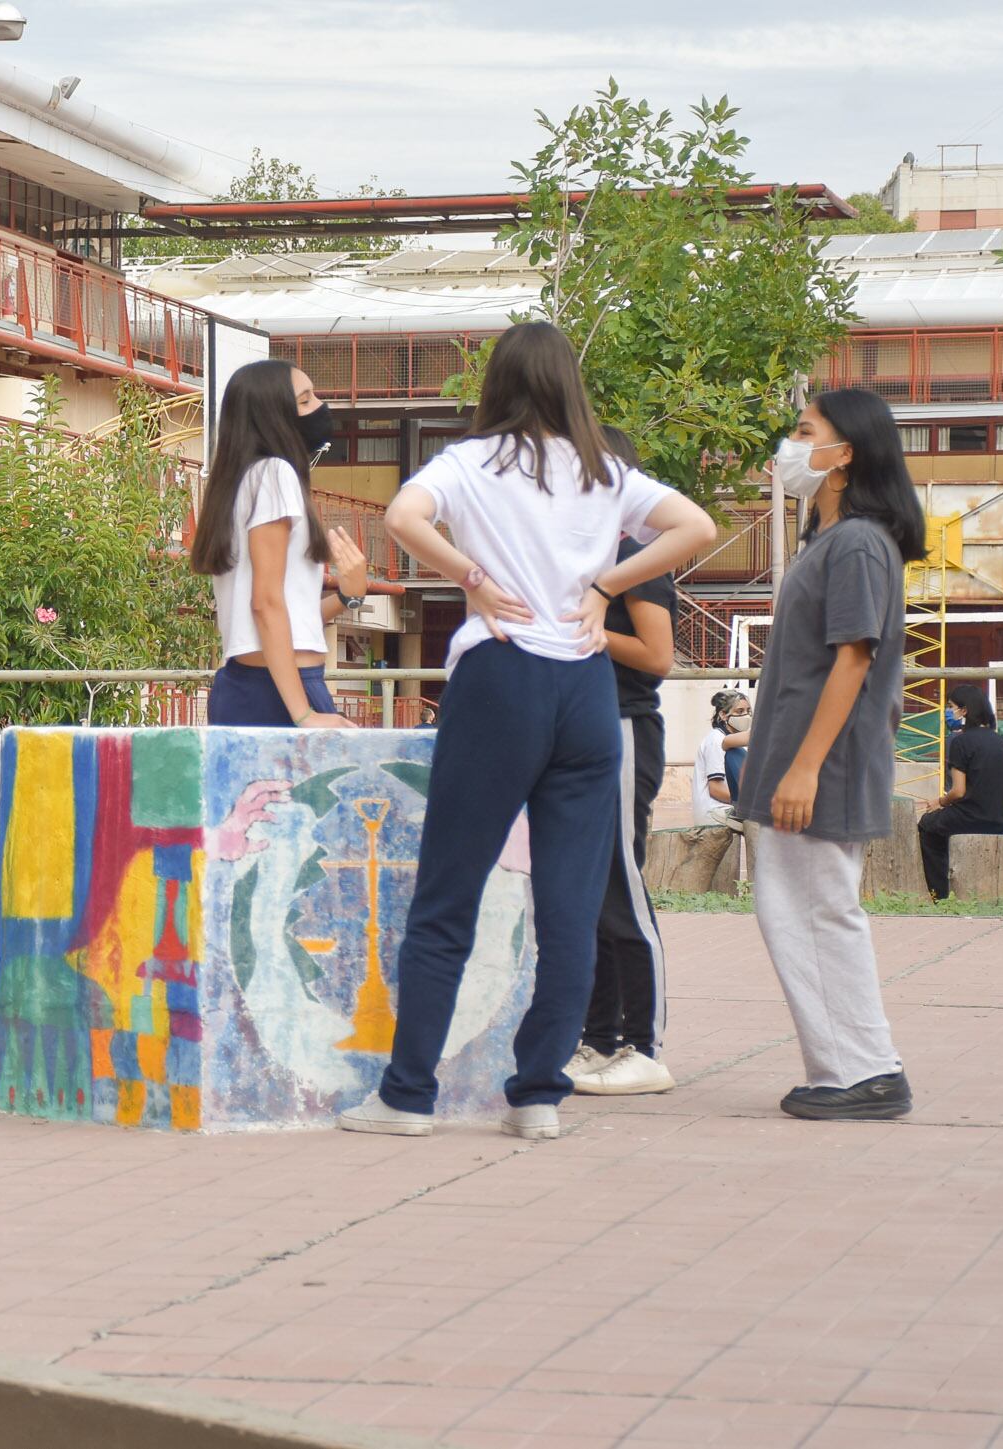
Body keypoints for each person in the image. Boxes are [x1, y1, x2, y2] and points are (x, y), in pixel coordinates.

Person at [335, 321, 715, 1142]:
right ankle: (538, 1093)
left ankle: (406, 1096)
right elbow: (698, 528)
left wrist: (470, 577)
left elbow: (404, 515)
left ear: (498, 384)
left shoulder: (472, 462)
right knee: (569, 908)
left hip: (501, 674)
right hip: (585, 688)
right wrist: (605, 585)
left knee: (448, 897)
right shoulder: (605, 471)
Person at [738, 387, 926, 1122]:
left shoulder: (856, 544)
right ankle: (845, 1065)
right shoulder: (831, 542)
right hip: (800, 758)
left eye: (804, 430)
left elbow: (854, 659)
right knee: (799, 911)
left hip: (823, 765)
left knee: (818, 912)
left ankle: (866, 1068)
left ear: (843, 454)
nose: (789, 444)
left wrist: (807, 765)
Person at [570, 426, 678, 1098]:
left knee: (620, 891)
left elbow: (658, 657)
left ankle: (645, 1043)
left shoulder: (637, 548)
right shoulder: (582, 548)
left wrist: (585, 625)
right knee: (584, 893)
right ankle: (599, 1036)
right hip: (580, 730)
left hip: (623, 728)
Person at [188, 359, 370, 728]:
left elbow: (282, 614)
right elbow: (266, 603)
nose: (319, 407)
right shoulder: (275, 474)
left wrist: (348, 597)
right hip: (282, 692)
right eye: (305, 401)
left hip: (248, 686)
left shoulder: (240, 482)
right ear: (273, 417)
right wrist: (304, 714)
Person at [919, 684, 1003, 899]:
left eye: (952, 707)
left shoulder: (960, 742)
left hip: (971, 817)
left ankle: (939, 895)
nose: (949, 712)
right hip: (1002, 819)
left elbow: (959, 791)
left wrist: (939, 802)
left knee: (927, 826)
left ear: (964, 711)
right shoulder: (1002, 742)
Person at [691, 691, 752, 826]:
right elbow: (716, 789)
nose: (746, 715)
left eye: (748, 711)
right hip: (714, 813)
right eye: (739, 711)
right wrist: (746, 805)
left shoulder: (736, 742)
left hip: (727, 810)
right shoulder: (716, 740)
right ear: (723, 715)